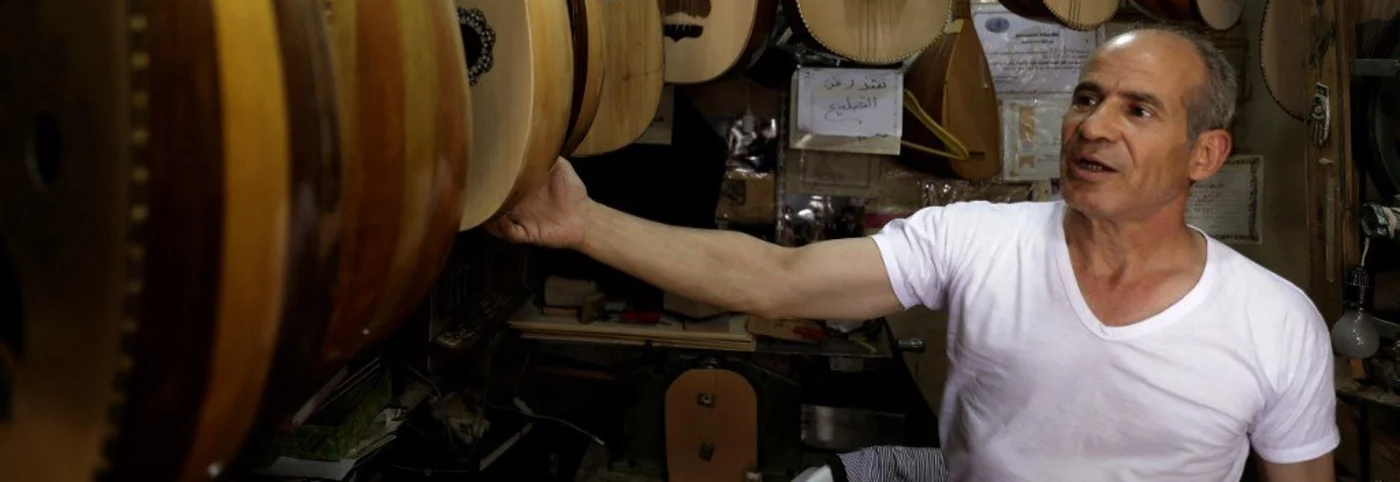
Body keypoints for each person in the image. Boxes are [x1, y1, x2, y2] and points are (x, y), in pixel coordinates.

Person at [489, 27, 1339, 482]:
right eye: (1088, 98)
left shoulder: (1274, 322)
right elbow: (777, 278)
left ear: (1205, 154)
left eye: (1138, 109)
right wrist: (583, 224)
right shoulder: (975, 236)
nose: (1093, 125)